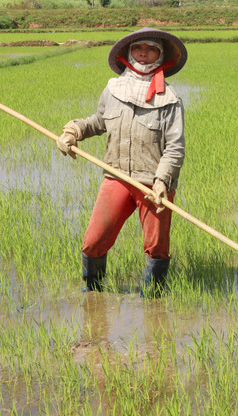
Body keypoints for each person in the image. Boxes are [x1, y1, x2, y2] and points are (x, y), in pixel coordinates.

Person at [57, 28, 187, 295]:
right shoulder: (113, 89)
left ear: (160, 55)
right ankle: (94, 295)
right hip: (116, 177)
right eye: (138, 47)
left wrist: (162, 181)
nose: (143, 53)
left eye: (151, 49)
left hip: (152, 185)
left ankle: (154, 301)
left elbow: (175, 148)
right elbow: (98, 121)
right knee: (94, 241)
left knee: (156, 246)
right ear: (128, 52)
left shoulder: (170, 100)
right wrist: (73, 131)